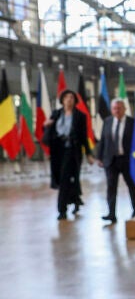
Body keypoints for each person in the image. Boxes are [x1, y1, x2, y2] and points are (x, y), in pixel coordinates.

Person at [42, 89, 89, 221]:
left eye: (71, 97)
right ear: (62, 100)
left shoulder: (80, 116)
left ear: (75, 101)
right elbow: (48, 132)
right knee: (63, 179)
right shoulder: (56, 114)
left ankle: (62, 210)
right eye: (66, 97)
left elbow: (84, 136)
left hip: (73, 151)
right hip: (58, 151)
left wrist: (89, 153)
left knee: (66, 179)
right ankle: (75, 199)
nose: (69, 100)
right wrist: (46, 125)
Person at [93, 98, 135, 222]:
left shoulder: (132, 123)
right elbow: (103, 140)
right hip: (111, 160)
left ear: (125, 109)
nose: (117, 111)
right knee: (111, 187)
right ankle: (111, 214)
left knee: (132, 186)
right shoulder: (107, 121)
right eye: (114, 108)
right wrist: (99, 157)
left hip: (127, 160)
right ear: (111, 110)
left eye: (119, 108)